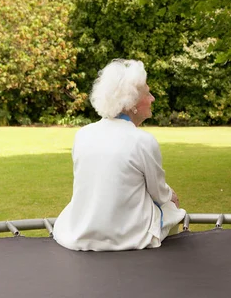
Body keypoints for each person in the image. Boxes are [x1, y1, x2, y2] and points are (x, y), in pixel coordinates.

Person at [53, 59, 185, 251]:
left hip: (81, 230)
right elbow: (159, 193)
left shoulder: (83, 134)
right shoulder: (142, 141)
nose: (153, 98)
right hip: (128, 235)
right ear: (132, 103)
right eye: (148, 93)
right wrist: (172, 196)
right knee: (173, 208)